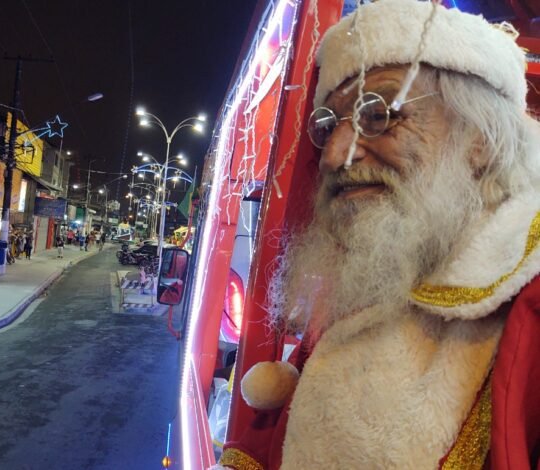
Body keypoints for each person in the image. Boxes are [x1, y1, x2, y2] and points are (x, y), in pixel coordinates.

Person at [217, 1, 540, 469]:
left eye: (380, 114)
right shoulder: (385, 262)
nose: (334, 156)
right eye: (327, 127)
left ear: (480, 141)